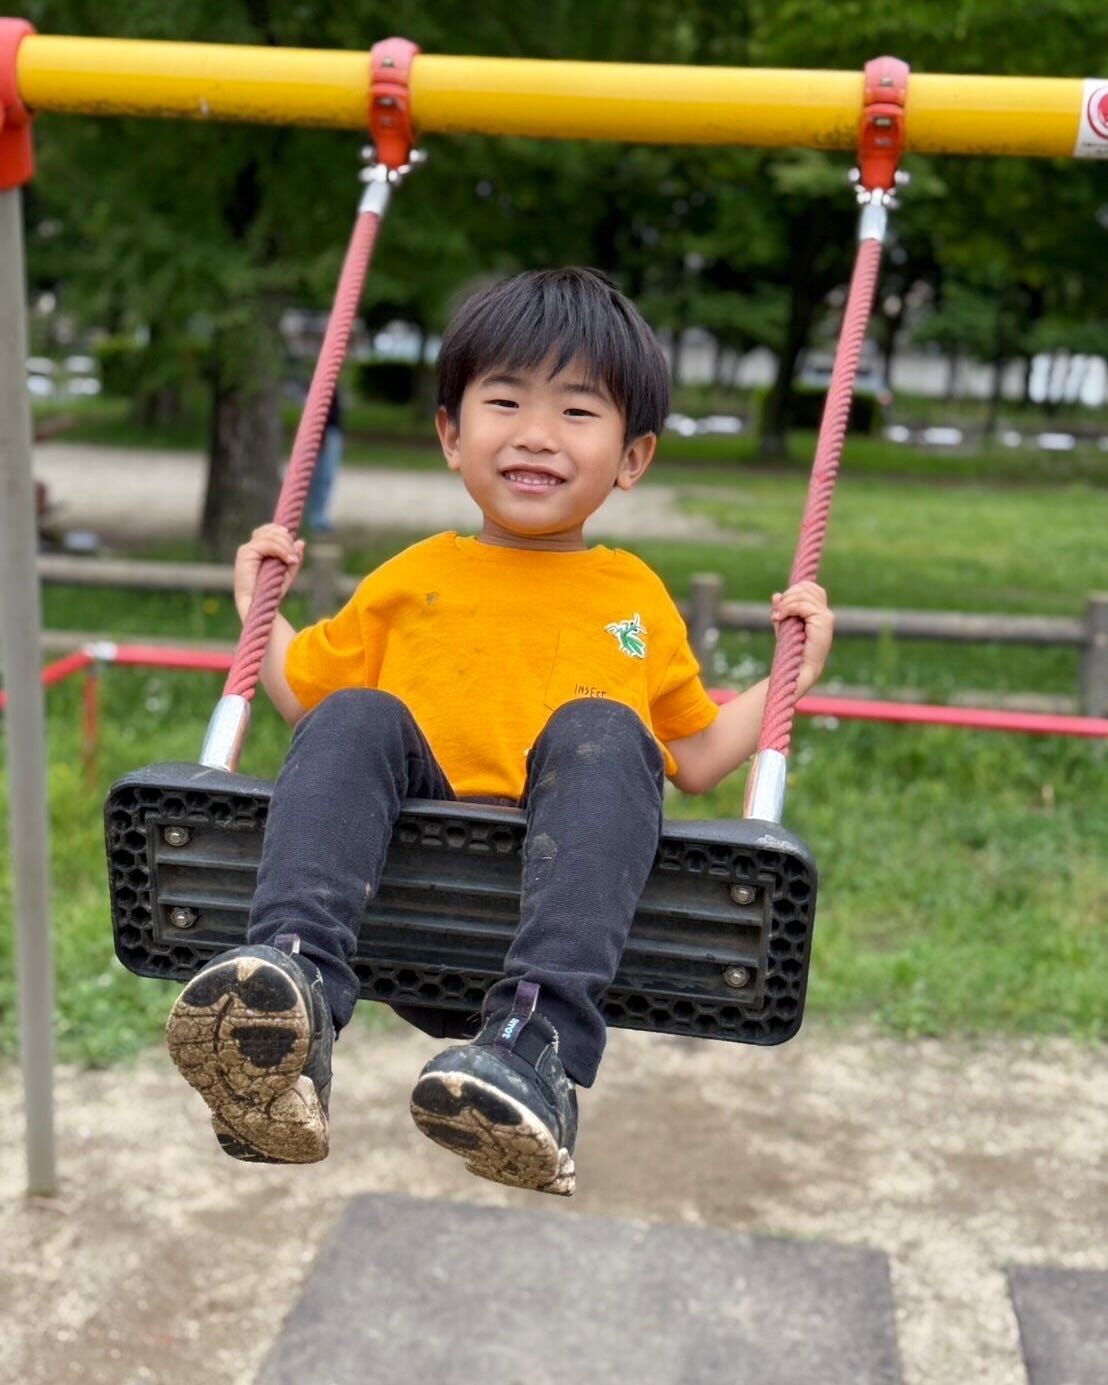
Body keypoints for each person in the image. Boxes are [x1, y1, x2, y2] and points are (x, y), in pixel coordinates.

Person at [164, 268, 834, 1195]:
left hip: (546, 913)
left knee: (604, 730)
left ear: (632, 457)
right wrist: (260, 610)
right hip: (405, 898)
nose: (536, 433)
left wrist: (791, 673)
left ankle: (536, 1048)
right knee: (352, 712)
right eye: (506, 401)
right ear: (452, 433)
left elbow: (697, 756)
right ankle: (289, 992)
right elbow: (303, 698)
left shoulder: (635, 597)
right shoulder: (412, 578)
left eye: (577, 412)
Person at [304, 387, 343, 532]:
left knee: (326, 477)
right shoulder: (323, 386)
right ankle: (316, 517)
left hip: (333, 432)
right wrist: (322, 436)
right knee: (321, 476)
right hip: (326, 434)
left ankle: (319, 515)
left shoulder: (333, 386)